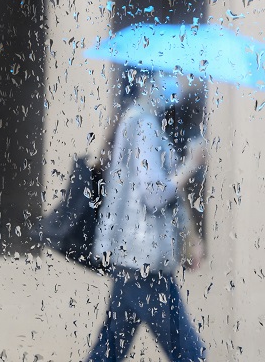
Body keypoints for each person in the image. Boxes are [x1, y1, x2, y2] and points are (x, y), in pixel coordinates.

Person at [89, 69, 206, 361]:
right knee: (189, 354)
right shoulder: (143, 125)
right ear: (150, 80)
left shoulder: (139, 121)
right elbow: (154, 195)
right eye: (170, 78)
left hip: (133, 259)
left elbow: (164, 198)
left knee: (106, 354)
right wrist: (190, 165)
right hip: (144, 262)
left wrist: (189, 238)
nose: (176, 87)